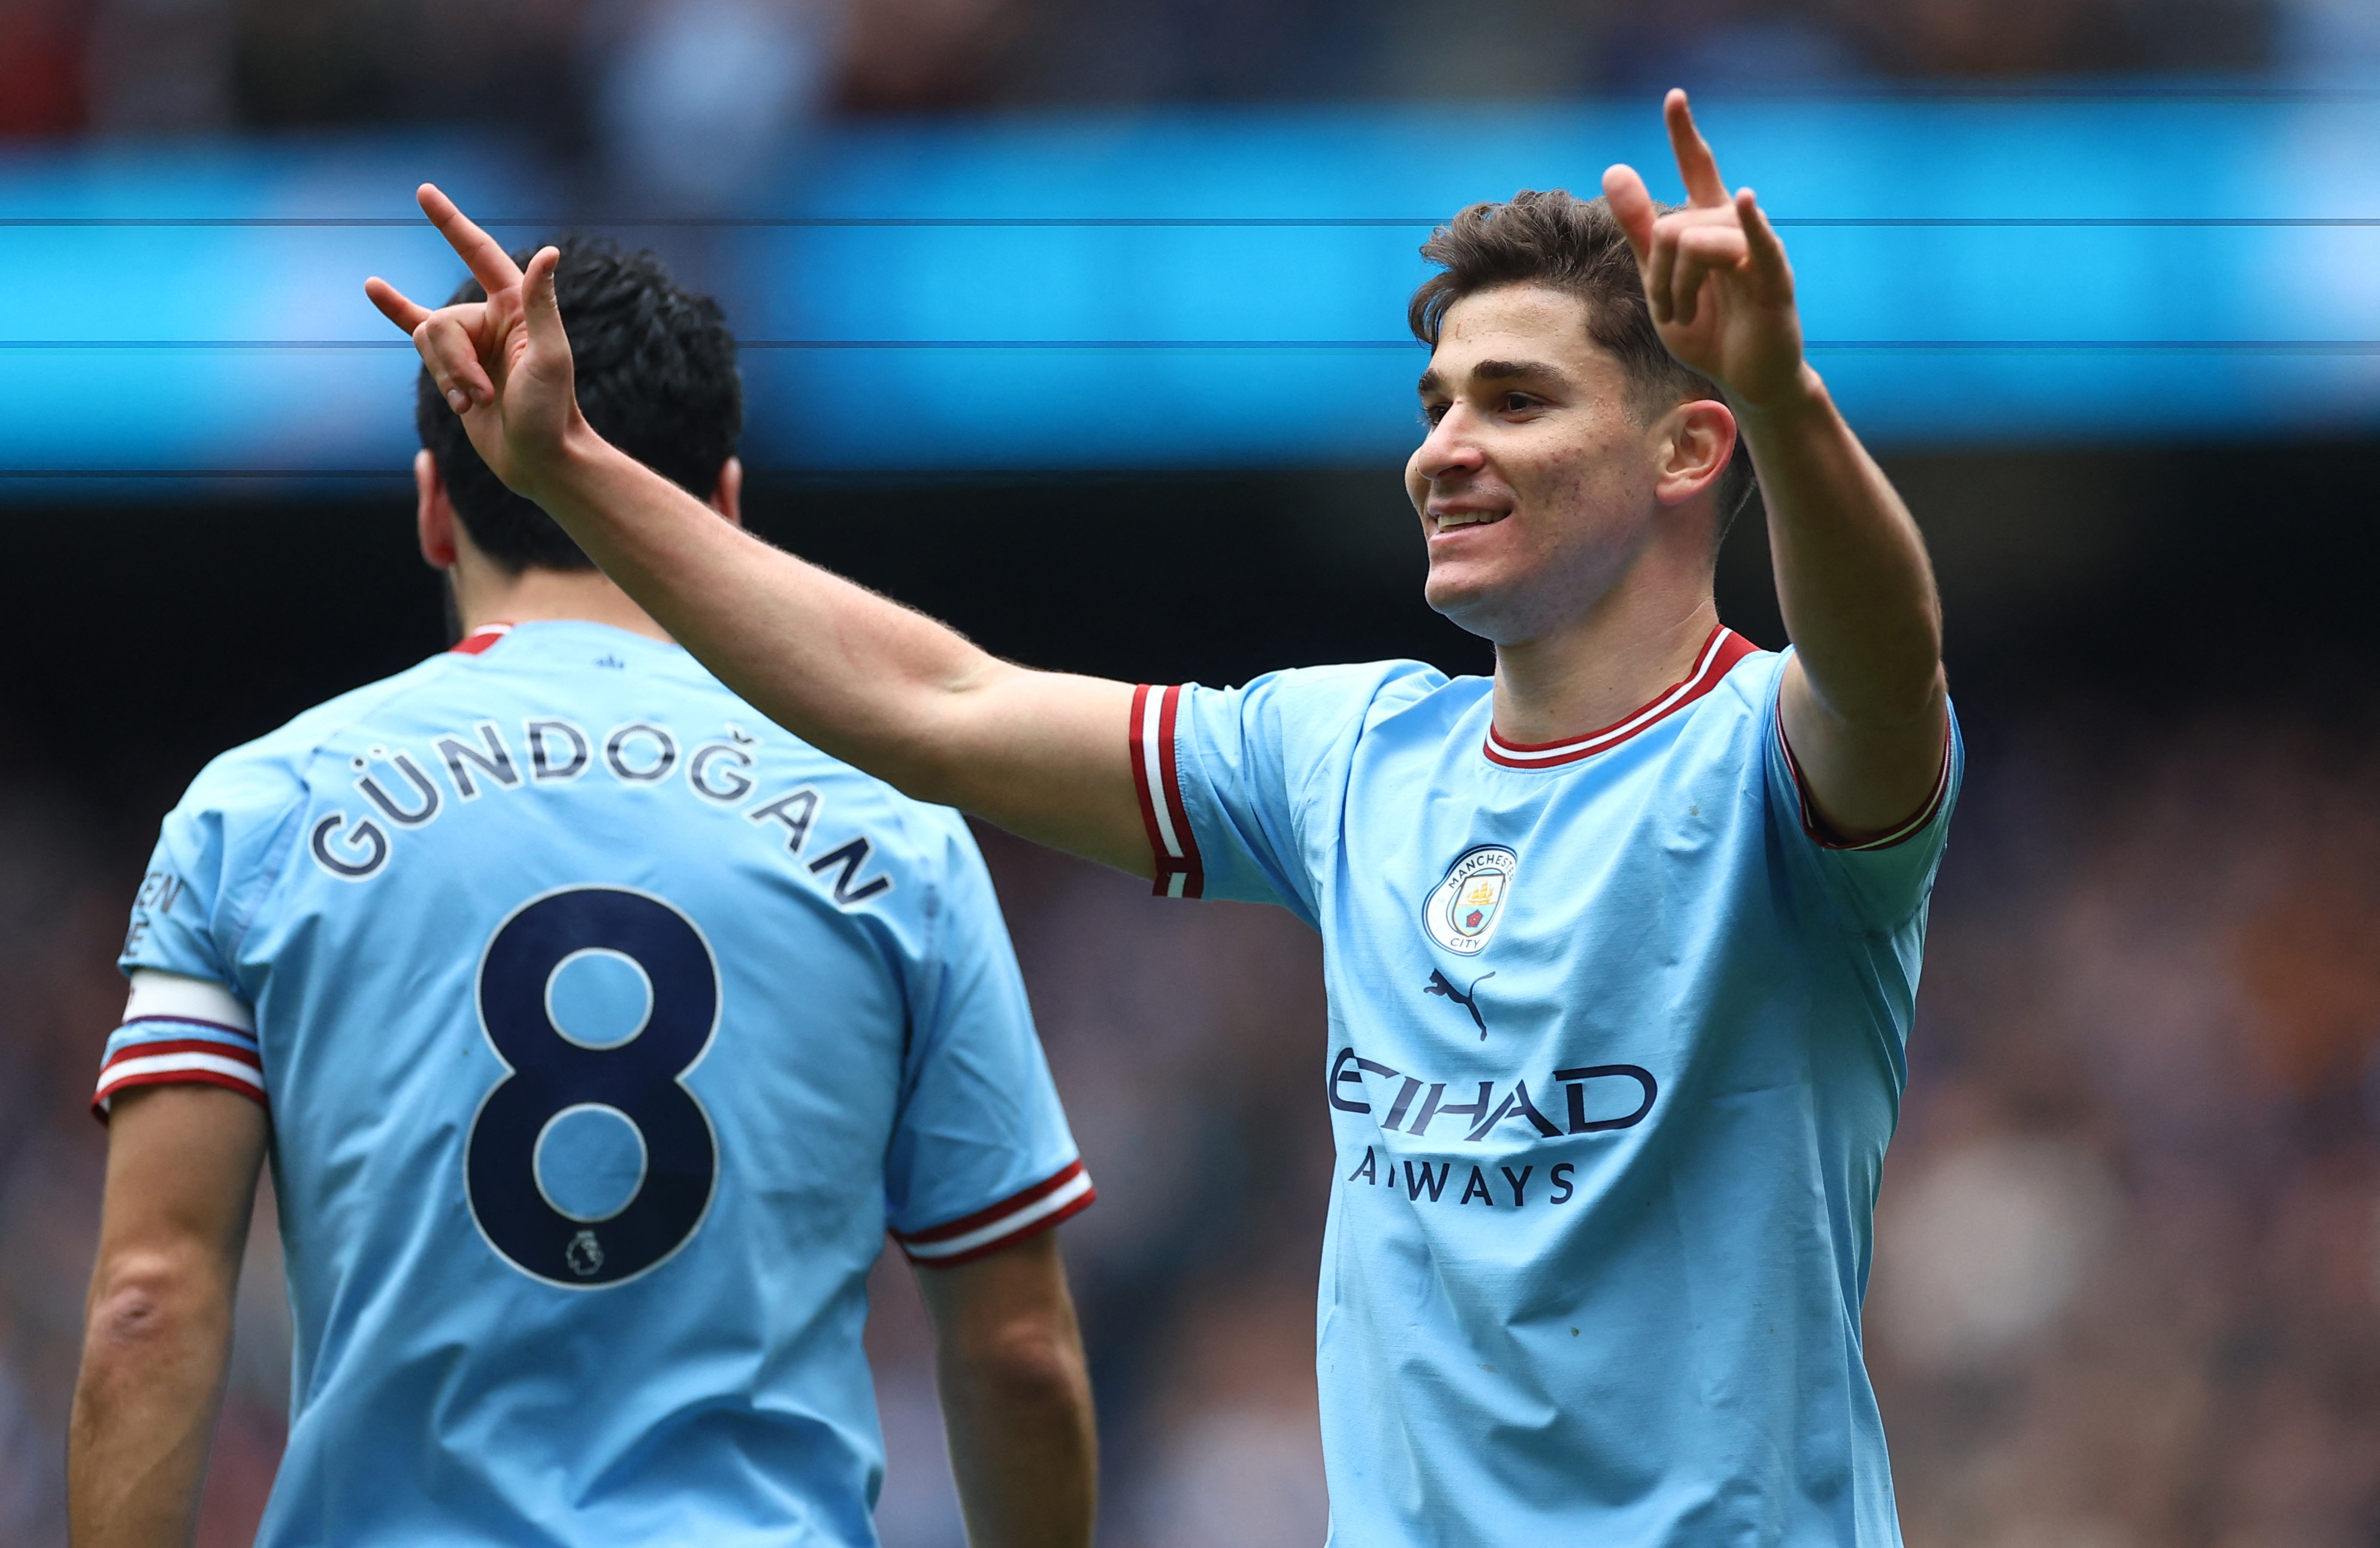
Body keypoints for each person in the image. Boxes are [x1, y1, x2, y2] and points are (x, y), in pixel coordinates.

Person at [370, 90, 1958, 1545]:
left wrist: (1783, 390)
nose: (1442, 449)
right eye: (1434, 401)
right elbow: (937, 702)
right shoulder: (1345, 754)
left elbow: (1886, 665)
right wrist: (573, 471)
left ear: (1688, 447)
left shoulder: (1771, 760)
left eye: (1515, 400)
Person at [69, 239, 1099, 1548]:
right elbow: (1017, 1352)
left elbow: (148, 1305)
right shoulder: (894, 826)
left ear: (433, 505)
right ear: (722, 512)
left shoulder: (254, 811)